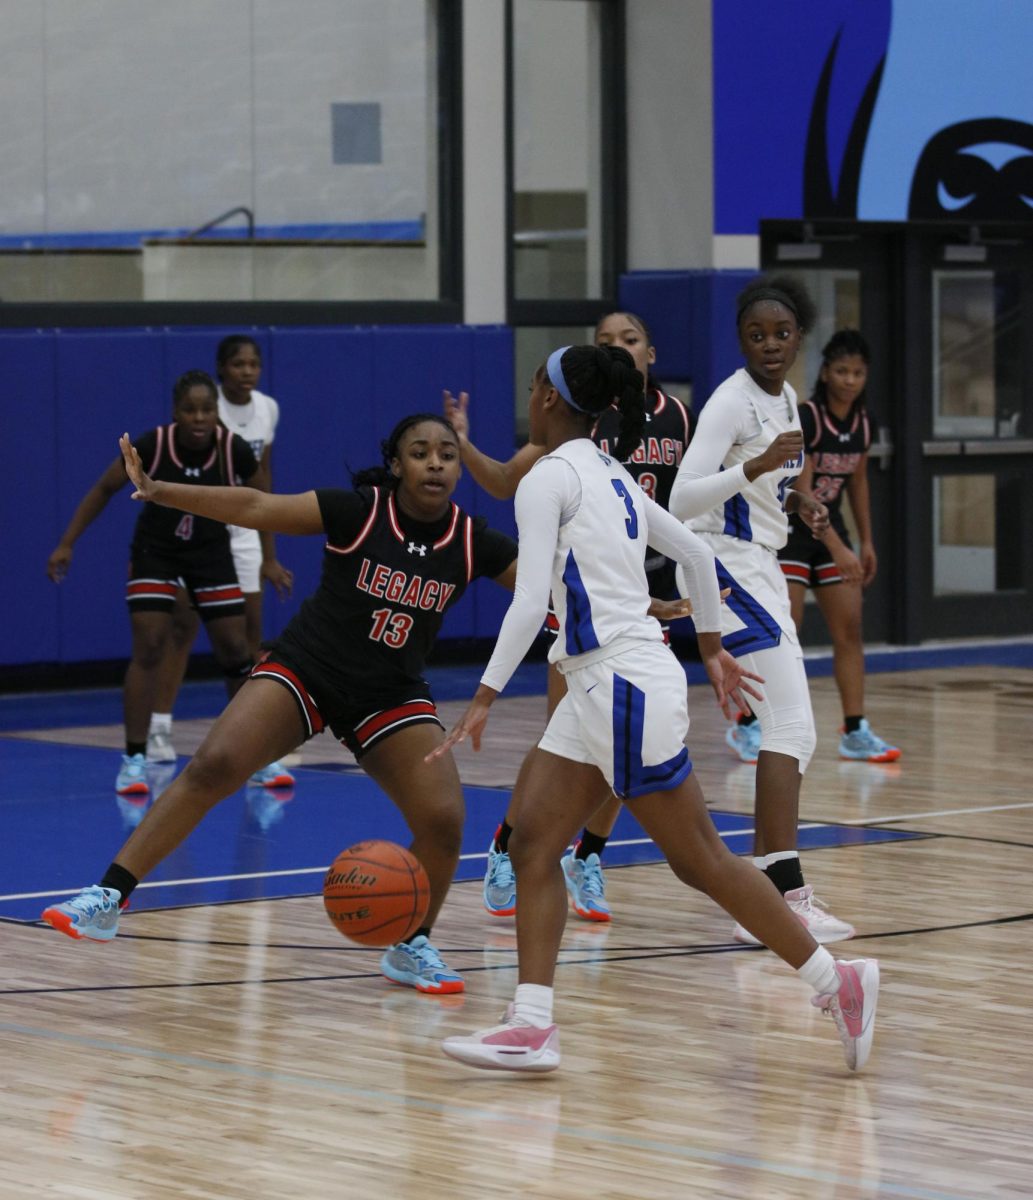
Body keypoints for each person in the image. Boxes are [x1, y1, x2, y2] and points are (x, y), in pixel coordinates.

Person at [430, 343, 879, 1073]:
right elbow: (696, 559)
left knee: (699, 860)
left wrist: (483, 695)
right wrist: (708, 648)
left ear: (547, 398)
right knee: (533, 846)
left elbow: (525, 601)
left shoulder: (547, 478)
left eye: (535, 383)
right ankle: (531, 1022)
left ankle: (836, 981)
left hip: (620, 685)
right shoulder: (607, 473)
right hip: (604, 682)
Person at [41, 414, 518, 996]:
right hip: (309, 668)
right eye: (421, 452)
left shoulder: (473, 541)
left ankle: (412, 942)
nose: (436, 463)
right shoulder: (358, 510)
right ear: (397, 465)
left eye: (447, 453)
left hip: (388, 692)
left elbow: (548, 586)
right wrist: (162, 491)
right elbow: (256, 507)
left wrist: (637, 601)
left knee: (444, 820)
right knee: (214, 765)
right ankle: (108, 896)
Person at [445, 311, 694, 923]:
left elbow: (688, 518)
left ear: (649, 351)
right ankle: (512, 845)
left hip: (636, 595)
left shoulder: (674, 421)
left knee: (610, 748)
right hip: (587, 607)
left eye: (627, 339)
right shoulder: (564, 442)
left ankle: (588, 854)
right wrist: (463, 440)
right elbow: (505, 481)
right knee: (569, 733)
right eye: (605, 341)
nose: (617, 348)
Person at [667, 274, 855, 947]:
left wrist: (793, 499)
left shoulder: (789, 404)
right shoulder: (729, 403)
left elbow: (765, 481)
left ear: (797, 336)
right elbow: (680, 501)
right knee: (792, 729)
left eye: (780, 334)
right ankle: (780, 899)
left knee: (789, 729)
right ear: (740, 340)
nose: (769, 344)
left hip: (762, 566)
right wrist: (751, 472)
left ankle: (776, 897)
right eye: (756, 334)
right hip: (724, 564)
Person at [46, 370, 260, 796]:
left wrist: (268, 559)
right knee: (149, 646)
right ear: (175, 412)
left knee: (237, 650)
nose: (199, 417)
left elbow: (260, 504)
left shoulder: (233, 450)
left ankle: (254, 757)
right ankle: (134, 760)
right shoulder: (152, 445)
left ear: (217, 413)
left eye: (207, 409)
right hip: (156, 552)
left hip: (210, 552)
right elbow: (104, 489)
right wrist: (67, 543)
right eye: (190, 409)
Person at [147, 335, 296, 788]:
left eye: (254, 363)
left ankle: (249, 744)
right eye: (238, 364)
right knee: (181, 627)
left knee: (246, 642)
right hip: (203, 532)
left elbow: (263, 482)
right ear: (221, 370)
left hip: (246, 533)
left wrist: (270, 555)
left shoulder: (267, 409)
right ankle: (158, 728)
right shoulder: (204, 407)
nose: (247, 371)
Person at [777, 329, 900, 763]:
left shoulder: (863, 422)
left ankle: (855, 729)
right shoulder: (808, 418)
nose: (850, 380)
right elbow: (807, 499)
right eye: (842, 371)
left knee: (850, 630)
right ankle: (755, 724)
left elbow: (859, 481)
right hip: (793, 531)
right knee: (784, 630)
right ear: (826, 372)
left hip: (834, 535)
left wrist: (865, 541)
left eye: (858, 373)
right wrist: (839, 548)